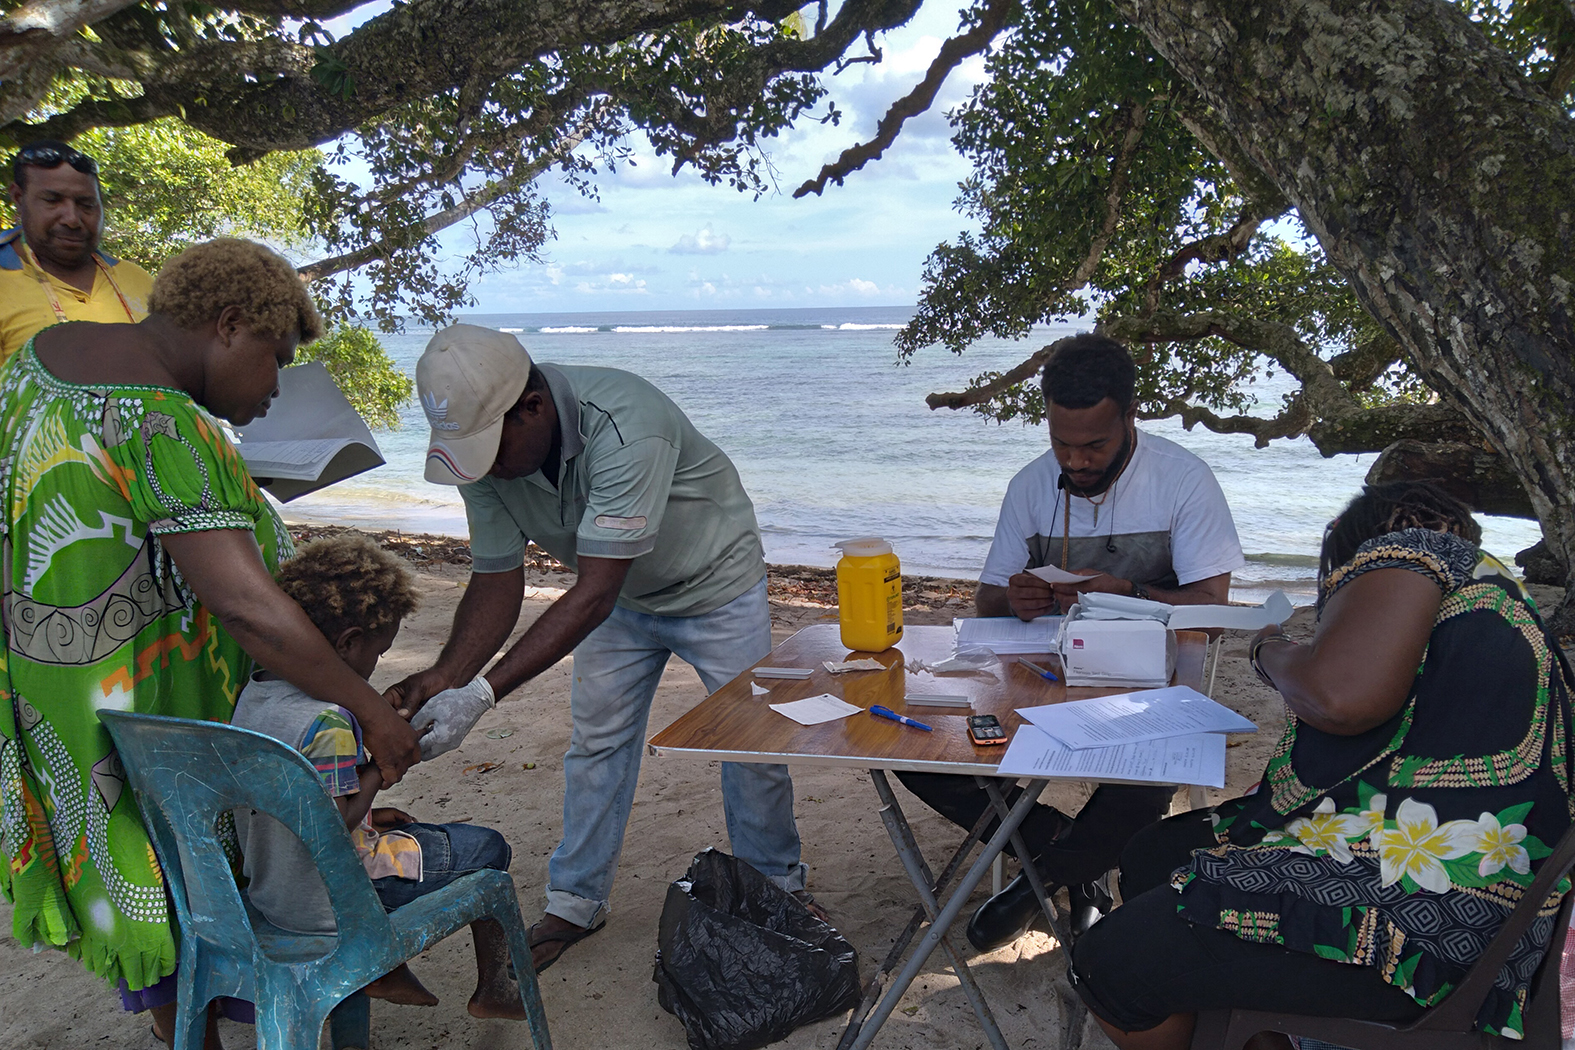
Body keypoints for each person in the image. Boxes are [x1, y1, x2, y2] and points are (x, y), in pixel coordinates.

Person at [0, 239, 422, 1049]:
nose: (275, 386)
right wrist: (370, 707)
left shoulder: (35, 364)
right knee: (197, 871)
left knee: (144, 872)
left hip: (64, 693)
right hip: (151, 696)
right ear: (229, 325)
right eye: (275, 359)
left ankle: (184, 1035)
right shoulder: (163, 417)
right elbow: (246, 606)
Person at [1071, 481, 1575, 1048]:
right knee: (1152, 854)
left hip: (1436, 925)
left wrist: (1272, 650)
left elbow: (1338, 699)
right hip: (1481, 901)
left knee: (1113, 964)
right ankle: (1255, 1032)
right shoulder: (1493, 601)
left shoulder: (1422, 551)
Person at [389, 324, 809, 973]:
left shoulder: (625, 423)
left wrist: (482, 693)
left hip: (712, 584)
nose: (488, 469)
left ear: (532, 408)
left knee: (747, 741)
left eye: (493, 451)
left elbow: (592, 595)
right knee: (596, 745)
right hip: (618, 598)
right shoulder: (482, 448)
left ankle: (775, 886)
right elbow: (498, 578)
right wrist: (446, 674)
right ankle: (575, 900)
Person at [896, 333, 1245, 950]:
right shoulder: (1031, 485)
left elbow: (1213, 614)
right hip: (1043, 675)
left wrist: (1128, 593)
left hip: (1151, 678)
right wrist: (1017, 597)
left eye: (1095, 445)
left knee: (1147, 772)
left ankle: (1041, 878)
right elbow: (988, 601)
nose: (1077, 461)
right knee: (913, 745)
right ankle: (1073, 864)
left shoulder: (1184, 480)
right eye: (1062, 444)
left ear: (1130, 419)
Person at [232, 534, 528, 1019]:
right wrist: (379, 768)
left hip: (274, 889)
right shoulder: (328, 719)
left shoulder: (257, 692)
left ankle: (390, 969)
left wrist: (370, 808)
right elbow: (332, 826)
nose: (376, 665)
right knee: (487, 847)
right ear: (348, 643)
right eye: (377, 651)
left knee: (405, 825)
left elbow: (296, 802)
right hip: (332, 901)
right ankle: (492, 986)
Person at [2, 140, 153, 361]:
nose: (72, 219)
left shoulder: (140, 281)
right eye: (52, 200)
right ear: (18, 198)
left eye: (86, 204)